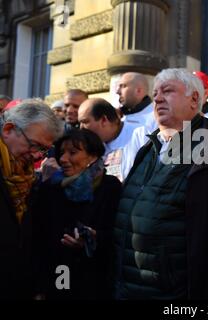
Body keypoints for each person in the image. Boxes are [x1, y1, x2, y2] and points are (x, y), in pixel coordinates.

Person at [113, 68, 208, 299]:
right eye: (155, 93)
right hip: (127, 288)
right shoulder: (147, 149)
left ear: (195, 99)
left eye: (167, 91)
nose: (157, 98)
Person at [32, 129, 122, 299]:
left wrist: (92, 238)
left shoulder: (110, 187)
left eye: (72, 153)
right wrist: (40, 288)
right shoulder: (51, 187)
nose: (64, 159)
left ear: (93, 156)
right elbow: (38, 238)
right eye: (61, 153)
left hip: (95, 278)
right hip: (59, 272)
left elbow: (116, 232)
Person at [0, 99, 63, 299]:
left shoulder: (28, 177)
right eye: (34, 145)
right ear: (8, 130)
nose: (37, 156)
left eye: (44, 150)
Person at [78, 98, 150, 182]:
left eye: (85, 122)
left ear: (104, 120)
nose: (81, 128)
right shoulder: (92, 147)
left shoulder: (140, 135)